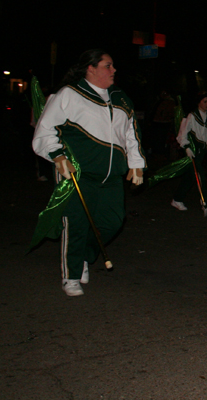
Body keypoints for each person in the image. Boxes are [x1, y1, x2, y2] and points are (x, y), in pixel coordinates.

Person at [32, 50, 145, 296]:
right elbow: (44, 131)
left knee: (113, 222)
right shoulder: (69, 94)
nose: (114, 70)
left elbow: (130, 134)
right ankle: (71, 275)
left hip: (112, 176)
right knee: (77, 224)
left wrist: (137, 163)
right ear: (90, 68)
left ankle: (85, 256)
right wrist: (57, 155)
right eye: (108, 65)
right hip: (78, 172)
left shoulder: (121, 98)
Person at [171, 92, 207, 216]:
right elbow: (182, 134)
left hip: (202, 152)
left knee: (190, 178)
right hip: (192, 151)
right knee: (199, 176)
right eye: (204, 101)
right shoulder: (191, 116)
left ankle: (177, 199)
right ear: (199, 102)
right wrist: (186, 147)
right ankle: (206, 204)